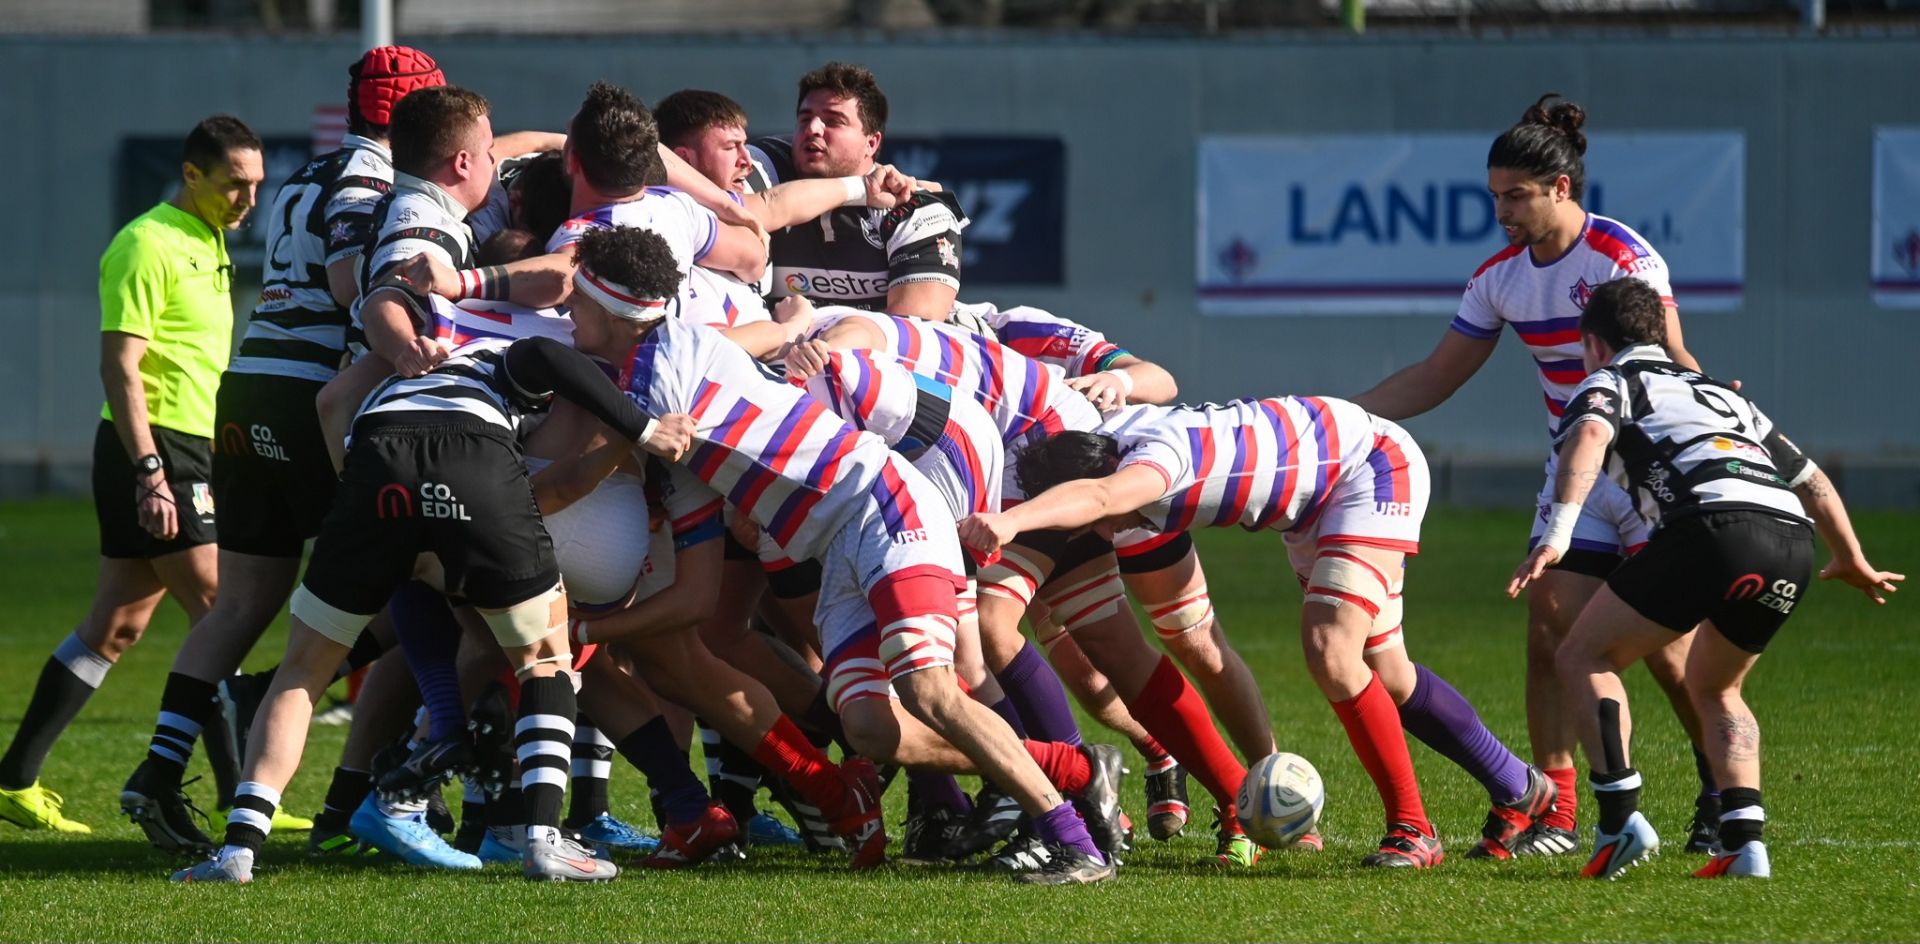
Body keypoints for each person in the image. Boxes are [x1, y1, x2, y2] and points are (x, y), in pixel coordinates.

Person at [572, 224, 1121, 884]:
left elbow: (606, 454)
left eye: (577, 302)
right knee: (868, 729)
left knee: (930, 689)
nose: (569, 314)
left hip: (883, 505)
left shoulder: (664, 373)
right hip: (837, 546)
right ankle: (1077, 769)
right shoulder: (667, 386)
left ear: (613, 309)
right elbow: (691, 577)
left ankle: (1073, 842)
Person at [169, 326, 699, 884]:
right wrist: (645, 430)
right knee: (545, 658)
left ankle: (239, 851)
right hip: (471, 458)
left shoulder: (406, 367)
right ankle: (542, 841)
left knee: (301, 671)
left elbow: (333, 402)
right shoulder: (499, 352)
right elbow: (543, 355)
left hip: (375, 464)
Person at [961, 394, 1554, 870]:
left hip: (1368, 469)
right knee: (1389, 673)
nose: (1102, 532)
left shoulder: (1150, 466)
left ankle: (1413, 830)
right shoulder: (1117, 439)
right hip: (1312, 503)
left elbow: (1099, 494)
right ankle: (1522, 790)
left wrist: (1009, 521)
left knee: (1332, 649)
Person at [1352, 93, 1721, 855]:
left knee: (1666, 646)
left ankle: (1718, 781)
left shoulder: (1623, 258)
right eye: (1494, 196)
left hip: (1644, 467)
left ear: (1561, 189)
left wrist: (1712, 412)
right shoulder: (1500, 279)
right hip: (1576, 469)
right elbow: (1434, 376)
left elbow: (1673, 359)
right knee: (1551, 623)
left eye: (1516, 195)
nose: (1502, 212)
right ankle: (1551, 805)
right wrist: (1337, 417)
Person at [118, 46, 447, 855]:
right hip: (308, 396)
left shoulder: (308, 175)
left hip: (249, 387)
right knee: (417, 583)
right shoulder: (372, 179)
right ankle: (384, 782)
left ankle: (158, 770)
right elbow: (344, 283)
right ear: (411, 117)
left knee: (242, 602)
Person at [1505, 277, 1902, 880]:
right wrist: (1850, 556)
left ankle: (1618, 821)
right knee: (1717, 687)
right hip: (1791, 540)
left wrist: (1557, 534)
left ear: (1593, 344)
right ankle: (1745, 845)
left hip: (1710, 529)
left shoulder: (1610, 380)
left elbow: (1587, 436)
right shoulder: (1718, 392)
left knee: (1583, 654)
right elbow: (1811, 477)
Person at [0, 116, 263, 837]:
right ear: (191, 175)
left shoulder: (211, 240)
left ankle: (14, 779)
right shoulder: (145, 243)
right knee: (221, 611)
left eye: (255, 186)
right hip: (153, 448)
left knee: (116, 625)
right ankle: (239, 796)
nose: (247, 200)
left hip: (192, 447)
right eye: (234, 184)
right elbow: (121, 366)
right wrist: (149, 469)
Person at [752, 62, 968, 320]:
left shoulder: (916, 210)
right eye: (805, 118)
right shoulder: (765, 162)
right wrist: (862, 188)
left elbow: (910, 334)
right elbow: (730, 210)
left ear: (871, 142)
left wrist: (808, 337)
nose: (812, 129)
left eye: (833, 121)